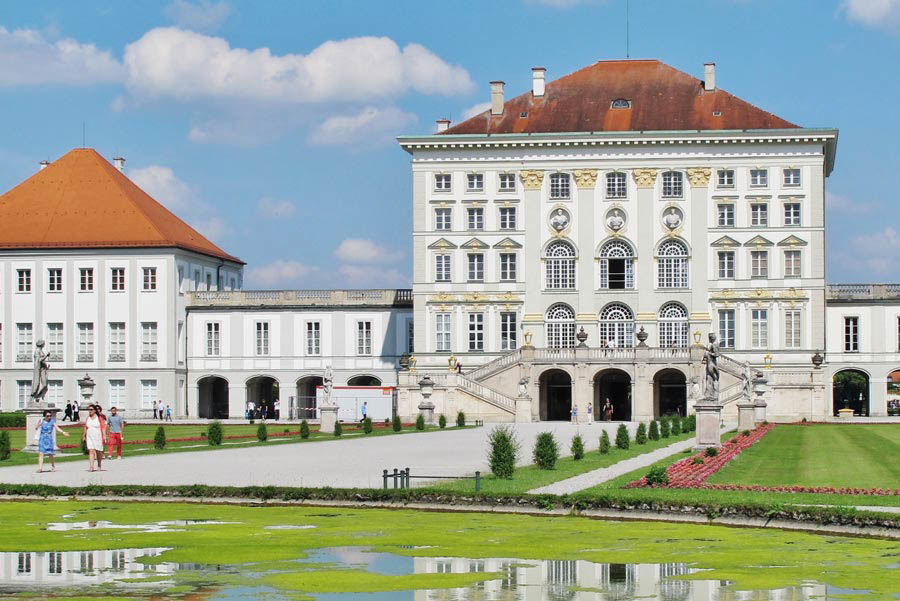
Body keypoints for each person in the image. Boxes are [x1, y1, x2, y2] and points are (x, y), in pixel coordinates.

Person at [82, 405, 106, 472]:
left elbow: (103, 427)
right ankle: (91, 466)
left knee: (98, 451)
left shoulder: (99, 418)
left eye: (91, 409)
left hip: (97, 436)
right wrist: (84, 436)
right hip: (89, 436)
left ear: (95, 410)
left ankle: (99, 464)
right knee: (91, 451)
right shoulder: (88, 418)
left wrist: (104, 436)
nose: (90, 411)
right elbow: (85, 427)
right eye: (89, 409)